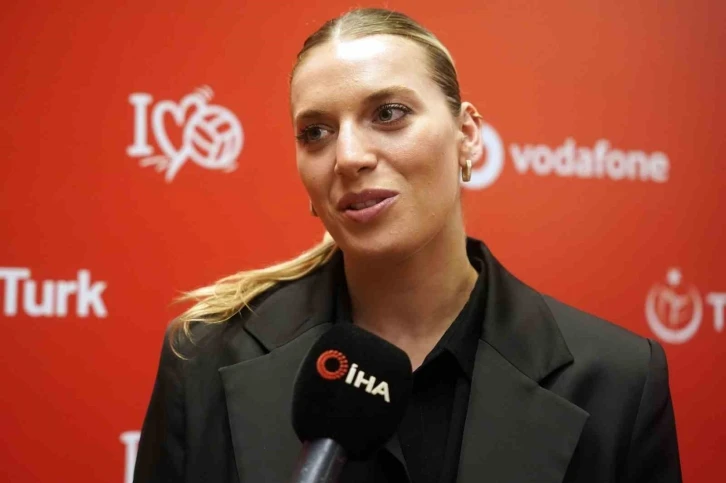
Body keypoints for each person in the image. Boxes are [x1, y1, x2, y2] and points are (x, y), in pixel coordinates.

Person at [133, 8, 682, 483]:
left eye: (388, 114)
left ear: (468, 136)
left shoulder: (618, 381)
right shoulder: (203, 358)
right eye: (316, 132)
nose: (348, 157)